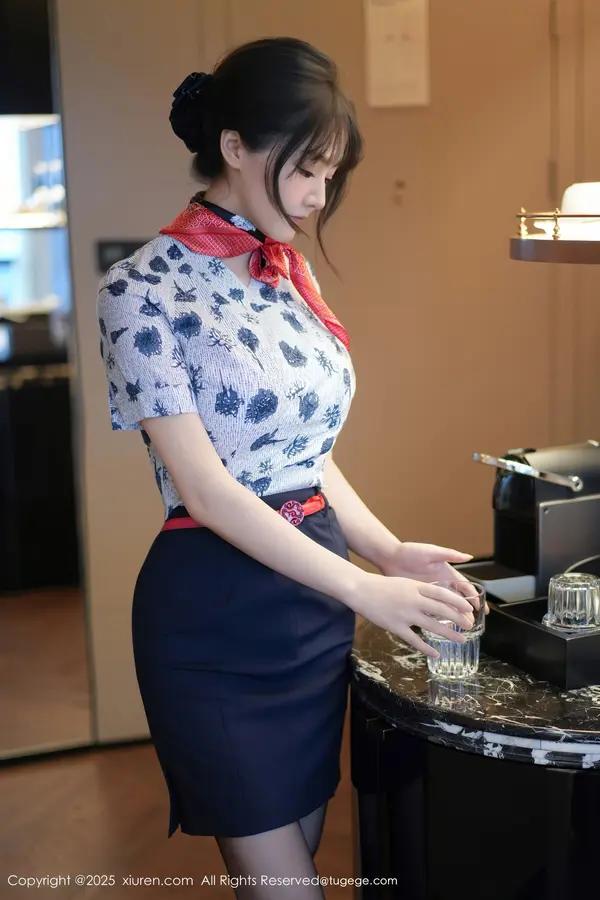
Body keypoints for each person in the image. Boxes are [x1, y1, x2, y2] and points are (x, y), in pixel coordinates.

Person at [96, 36, 481, 899]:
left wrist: (388, 552)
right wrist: (364, 587)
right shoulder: (139, 288)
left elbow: (306, 454)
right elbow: (207, 491)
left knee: (290, 863)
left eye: (328, 176)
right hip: (215, 618)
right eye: (306, 170)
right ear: (234, 146)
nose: (315, 197)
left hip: (309, 608)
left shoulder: (287, 270)